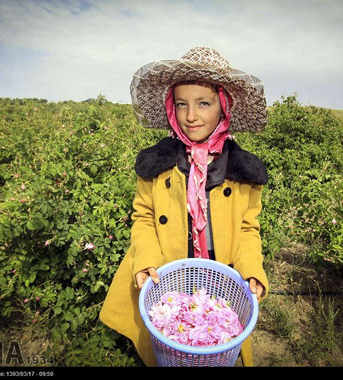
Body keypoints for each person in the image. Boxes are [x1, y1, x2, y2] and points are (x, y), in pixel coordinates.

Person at [99, 47, 269, 366]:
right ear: (170, 108)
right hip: (167, 277)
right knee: (170, 344)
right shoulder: (157, 164)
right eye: (181, 104)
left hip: (219, 280)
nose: (191, 116)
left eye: (203, 103)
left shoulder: (244, 172)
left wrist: (251, 271)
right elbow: (144, 218)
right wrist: (146, 260)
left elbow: (247, 230)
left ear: (224, 107)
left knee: (213, 340)